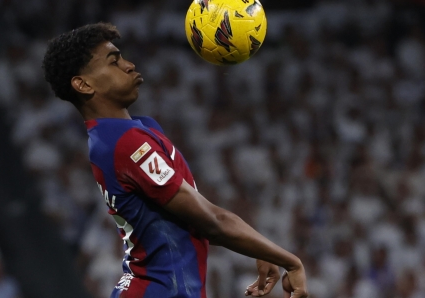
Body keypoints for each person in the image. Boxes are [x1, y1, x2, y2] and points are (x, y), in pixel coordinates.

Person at [42, 22, 307, 298]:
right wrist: (291, 262)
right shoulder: (124, 145)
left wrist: (259, 247)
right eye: (114, 62)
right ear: (83, 84)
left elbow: (198, 214)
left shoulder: (141, 129)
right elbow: (212, 222)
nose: (129, 65)